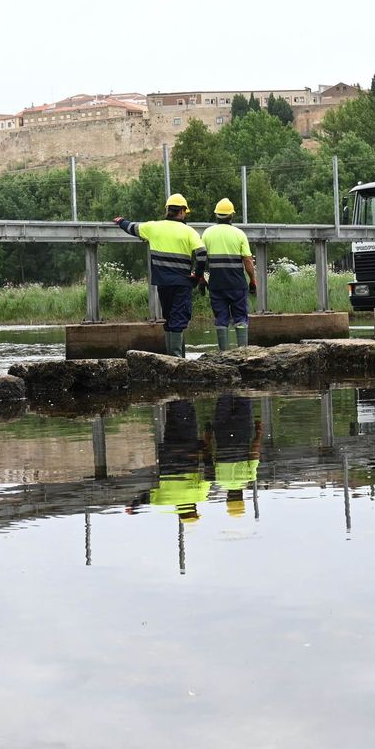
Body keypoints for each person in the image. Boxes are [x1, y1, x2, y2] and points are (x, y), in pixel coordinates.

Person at [114, 194, 206, 357]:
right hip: (182, 283)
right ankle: (177, 359)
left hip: (163, 284)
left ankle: (172, 358)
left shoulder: (153, 227)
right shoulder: (189, 231)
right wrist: (197, 275)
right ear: (182, 212)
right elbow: (202, 253)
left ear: (168, 210)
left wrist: (121, 221)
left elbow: (132, 228)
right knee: (178, 320)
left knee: (170, 319)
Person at [201, 199, 257, 351]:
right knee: (240, 319)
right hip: (237, 285)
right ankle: (243, 353)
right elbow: (248, 261)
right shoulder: (239, 234)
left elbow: (201, 260)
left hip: (216, 285)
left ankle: (223, 354)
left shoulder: (207, 233)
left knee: (221, 319)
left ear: (217, 215)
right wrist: (253, 281)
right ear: (231, 215)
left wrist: (201, 279)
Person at [208, 393, 261, 518]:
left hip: (242, 431)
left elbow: (254, 453)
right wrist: (208, 437)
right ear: (227, 498)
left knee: (243, 396)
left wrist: (258, 433)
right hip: (221, 433)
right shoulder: (219, 480)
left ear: (242, 497)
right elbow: (209, 456)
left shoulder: (249, 478)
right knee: (223, 395)